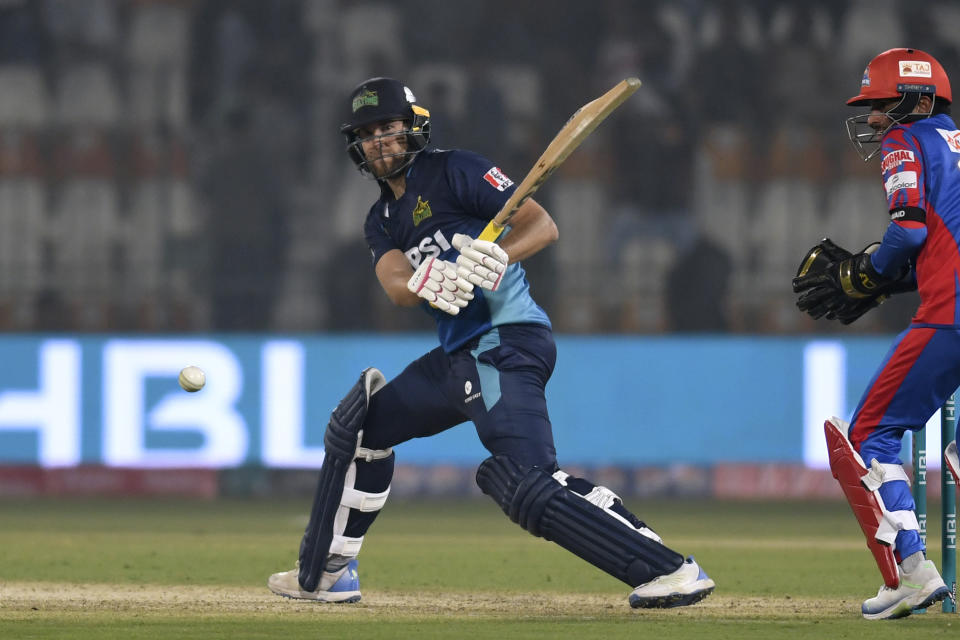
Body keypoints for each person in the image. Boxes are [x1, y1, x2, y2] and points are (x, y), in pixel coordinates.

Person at [266, 77, 715, 608]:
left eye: (388, 128)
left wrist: (499, 257)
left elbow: (541, 226)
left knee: (525, 481)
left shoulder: (457, 169)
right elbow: (394, 284)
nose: (380, 141)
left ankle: (670, 570)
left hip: (505, 342)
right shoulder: (380, 219)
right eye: (368, 134)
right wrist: (423, 280)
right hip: (460, 357)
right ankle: (328, 573)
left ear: (413, 126)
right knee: (360, 428)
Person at [793, 48, 960, 620]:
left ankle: (912, 574)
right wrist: (888, 282)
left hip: (952, 314)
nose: (872, 120)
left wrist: (866, 273)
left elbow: (910, 232)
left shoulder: (904, 142)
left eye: (880, 105)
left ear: (915, 101)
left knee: (869, 436)